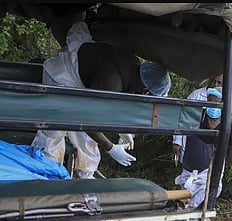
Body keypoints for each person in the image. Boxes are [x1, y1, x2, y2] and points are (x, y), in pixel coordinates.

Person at [31, 21, 171, 178]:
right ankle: (43, 175)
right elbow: (86, 120)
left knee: (87, 139)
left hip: (84, 78)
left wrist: (123, 128)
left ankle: (86, 177)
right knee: (54, 132)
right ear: (145, 90)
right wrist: (111, 148)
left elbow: (114, 105)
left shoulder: (134, 67)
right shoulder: (111, 81)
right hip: (61, 75)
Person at [174, 87, 232, 209]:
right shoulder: (196, 118)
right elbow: (178, 124)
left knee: (206, 199)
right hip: (189, 169)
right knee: (185, 200)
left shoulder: (228, 127)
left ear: (222, 103)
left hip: (209, 171)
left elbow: (230, 152)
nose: (212, 105)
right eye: (209, 101)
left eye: (215, 102)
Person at [172, 74, 224, 164]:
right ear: (209, 79)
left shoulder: (224, 100)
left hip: (210, 146)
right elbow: (182, 117)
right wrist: (177, 141)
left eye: (219, 82)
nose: (215, 84)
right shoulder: (196, 95)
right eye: (213, 81)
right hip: (192, 142)